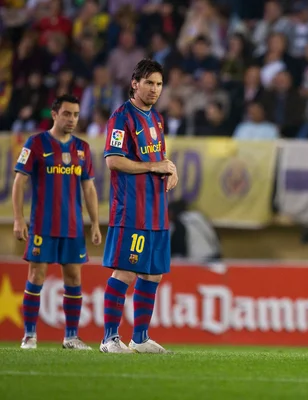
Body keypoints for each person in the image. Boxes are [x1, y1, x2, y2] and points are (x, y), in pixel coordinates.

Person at [100, 59, 179, 354]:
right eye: (149, 83)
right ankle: (109, 338)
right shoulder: (121, 118)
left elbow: (159, 158)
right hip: (132, 209)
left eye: (159, 84)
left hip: (157, 209)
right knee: (125, 272)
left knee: (153, 273)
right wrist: (154, 165)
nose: (154, 89)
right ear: (135, 83)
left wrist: (170, 169)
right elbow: (113, 160)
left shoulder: (156, 118)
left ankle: (141, 338)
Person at [12, 94, 102, 350]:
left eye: (75, 115)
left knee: (74, 277)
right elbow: (19, 181)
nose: (72, 119)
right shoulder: (36, 143)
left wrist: (95, 223)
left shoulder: (82, 148)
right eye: (67, 114)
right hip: (43, 224)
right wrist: (18, 219)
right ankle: (29, 335)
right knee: (36, 275)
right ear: (54, 114)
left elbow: (89, 189)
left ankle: (71, 337)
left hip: (73, 226)